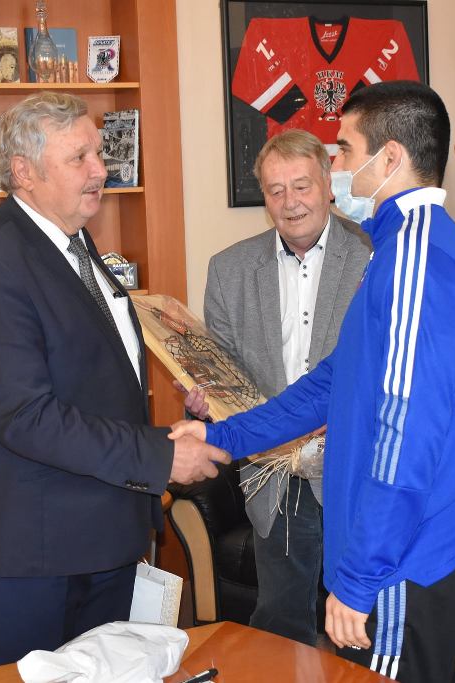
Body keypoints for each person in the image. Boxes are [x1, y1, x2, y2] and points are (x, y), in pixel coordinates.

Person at [171, 80, 455, 682]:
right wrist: (221, 436)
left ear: (389, 158)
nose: (337, 164)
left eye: (344, 149)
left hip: (402, 556)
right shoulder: (399, 245)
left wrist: (359, 578)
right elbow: (332, 383)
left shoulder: (414, 258)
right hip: (403, 543)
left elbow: (404, 437)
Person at [0, 91, 230, 666]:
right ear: (25, 171)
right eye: (79, 158)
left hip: (101, 533)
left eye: (98, 152)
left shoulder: (71, 240)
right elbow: (26, 416)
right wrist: (159, 456)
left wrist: (185, 410)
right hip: (36, 552)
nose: (101, 169)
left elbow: (93, 377)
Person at [182, 129, 371, 646]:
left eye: (302, 186)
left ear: (328, 185)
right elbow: (223, 373)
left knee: (361, 627)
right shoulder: (229, 269)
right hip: (276, 473)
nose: (290, 203)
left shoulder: (373, 256)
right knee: (281, 622)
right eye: (275, 190)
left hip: (355, 470)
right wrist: (204, 400)